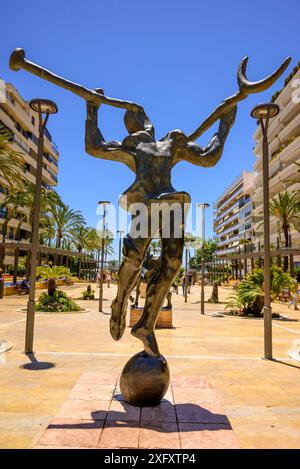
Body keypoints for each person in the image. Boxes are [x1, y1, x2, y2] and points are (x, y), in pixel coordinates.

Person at [85, 95, 237, 357]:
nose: (134, 118)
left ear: (148, 121)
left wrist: (224, 126)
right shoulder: (132, 145)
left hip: (170, 202)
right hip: (145, 202)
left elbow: (208, 158)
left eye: (136, 113)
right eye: (130, 117)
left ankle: (146, 325)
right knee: (133, 258)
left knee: (173, 263)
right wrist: (92, 110)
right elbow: (94, 147)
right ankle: (120, 301)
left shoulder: (174, 140)